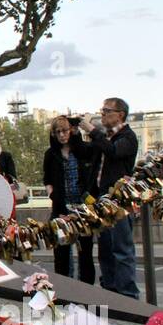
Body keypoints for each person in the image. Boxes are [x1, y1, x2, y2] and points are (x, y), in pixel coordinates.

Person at [80, 97, 139, 299]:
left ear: (120, 114)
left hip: (119, 201)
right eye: (102, 110)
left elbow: (113, 152)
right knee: (105, 248)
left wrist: (92, 130)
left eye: (106, 111)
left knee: (121, 249)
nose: (102, 114)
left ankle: (128, 295)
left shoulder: (127, 137)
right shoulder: (105, 137)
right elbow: (88, 155)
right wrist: (72, 132)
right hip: (100, 201)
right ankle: (110, 291)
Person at [42, 116, 98, 283]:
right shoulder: (51, 154)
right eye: (57, 132)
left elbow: (95, 162)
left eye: (64, 131)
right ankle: (65, 287)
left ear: (71, 131)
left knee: (85, 252)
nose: (61, 135)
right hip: (60, 208)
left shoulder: (83, 150)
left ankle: (85, 289)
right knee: (61, 253)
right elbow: (47, 179)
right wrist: (52, 193)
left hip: (82, 209)